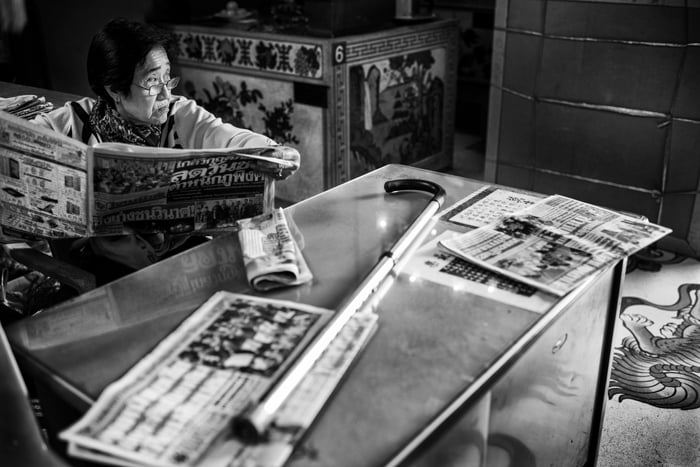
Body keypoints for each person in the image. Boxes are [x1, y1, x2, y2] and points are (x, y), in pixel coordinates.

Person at [32, 18, 300, 284]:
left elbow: (229, 136)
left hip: (178, 260)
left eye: (167, 78)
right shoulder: (72, 122)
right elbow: (22, 138)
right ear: (114, 89)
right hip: (104, 271)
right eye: (152, 82)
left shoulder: (180, 114)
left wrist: (273, 152)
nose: (165, 94)